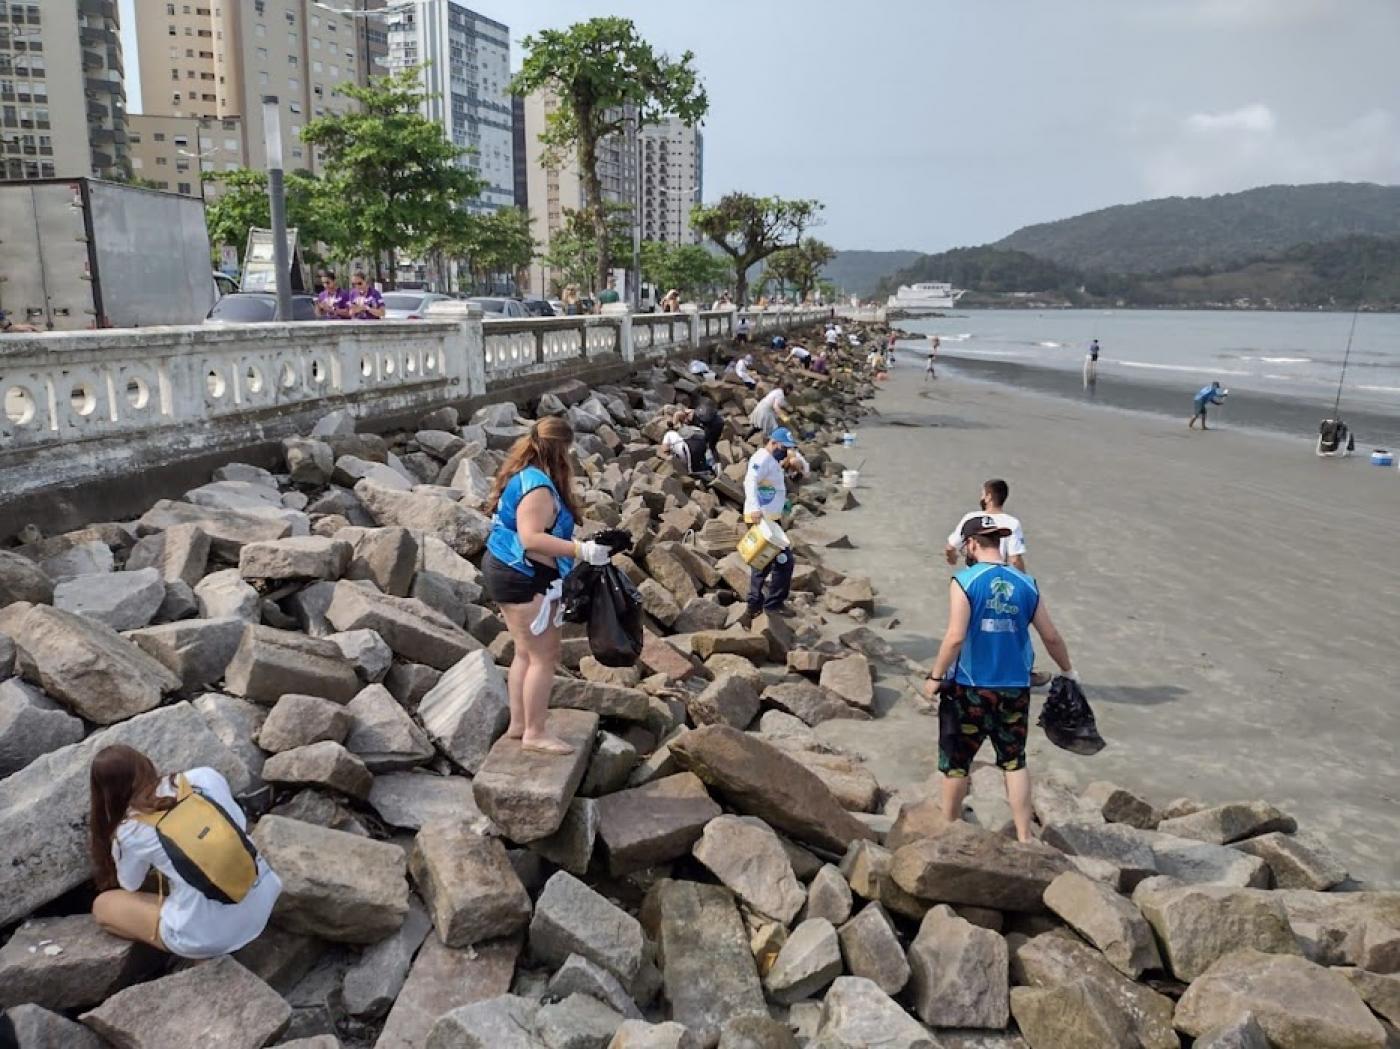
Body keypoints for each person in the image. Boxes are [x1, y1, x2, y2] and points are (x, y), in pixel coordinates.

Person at [922, 516, 1075, 842]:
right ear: (998, 542)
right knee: (1013, 762)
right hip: (1015, 688)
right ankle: (1024, 837)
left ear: (972, 544)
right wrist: (1068, 671)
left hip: (970, 687)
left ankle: (947, 831)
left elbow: (955, 637)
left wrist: (935, 676)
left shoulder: (964, 581)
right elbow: (1051, 636)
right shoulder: (1026, 583)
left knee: (958, 761)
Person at [483, 418, 620, 754]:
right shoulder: (539, 487)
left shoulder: (525, 474)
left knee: (525, 652)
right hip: (524, 575)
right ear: (562, 449)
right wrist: (581, 550)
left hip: (506, 568)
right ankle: (535, 732)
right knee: (545, 656)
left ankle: (520, 724)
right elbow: (531, 539)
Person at [88, 745, 282, 957]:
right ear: (145, 762)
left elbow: (130, 883)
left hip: (211, 936)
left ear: (105, 793)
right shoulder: (204, 776)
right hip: (265, 893)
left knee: (103, 906)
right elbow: (239, 823)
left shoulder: (129, 831)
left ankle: (177, 948)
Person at [743, 426, 807, 616]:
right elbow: (750, 481)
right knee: (770, 561)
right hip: (761, 519)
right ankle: (762, 604)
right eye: (784, 447)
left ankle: (765, 603)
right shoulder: (761, 459)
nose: (786, 451)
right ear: (773, 443)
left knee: (774, 561)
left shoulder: (773, 460)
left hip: (771, 518)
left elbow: (773, 485)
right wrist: (754, 507)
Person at [944, 478, 1026, 571]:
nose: (981, 498)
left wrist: (952, 559)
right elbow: (1015, 560)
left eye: (982, 494)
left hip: (972, 576)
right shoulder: (1012, 523)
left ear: (988, 497)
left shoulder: (970, 518)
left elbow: (950, 547)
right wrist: (1025, 580)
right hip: (997, 576)